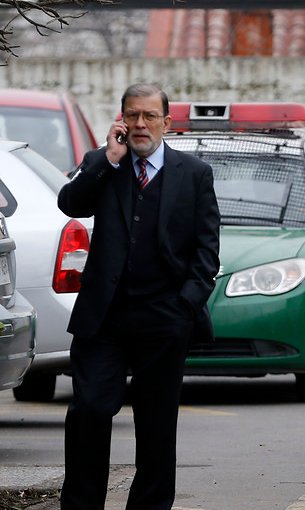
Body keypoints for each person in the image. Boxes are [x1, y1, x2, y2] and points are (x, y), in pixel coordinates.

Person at [57, 83, 221, 510]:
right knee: (90, 410)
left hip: (165, 317)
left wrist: (185, 304)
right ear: (121, 120)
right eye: (133, 116)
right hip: (104, 318)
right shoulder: (103, 165)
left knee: (156, 424)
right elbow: (70, 204)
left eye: (150, 116)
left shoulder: (195, 173)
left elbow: (207, 251)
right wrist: (107, 160)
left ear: (167, 122)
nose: (141, 124)